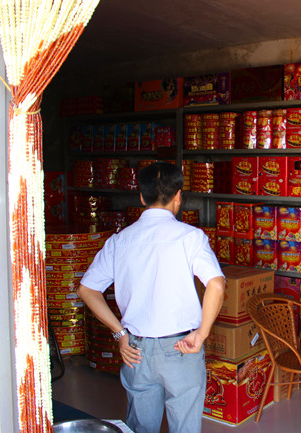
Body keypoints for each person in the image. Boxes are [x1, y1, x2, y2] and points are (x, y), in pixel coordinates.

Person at [77, 161, 225, 433]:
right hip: (182, 347)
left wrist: (119, 333)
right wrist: (202, 334)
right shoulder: (190, 237)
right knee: (185, 426)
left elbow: (87, 289)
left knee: (141, 427)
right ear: (178, 196)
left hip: (136, 349)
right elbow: (216, 285)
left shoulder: (120, 240)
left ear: (142, 198)